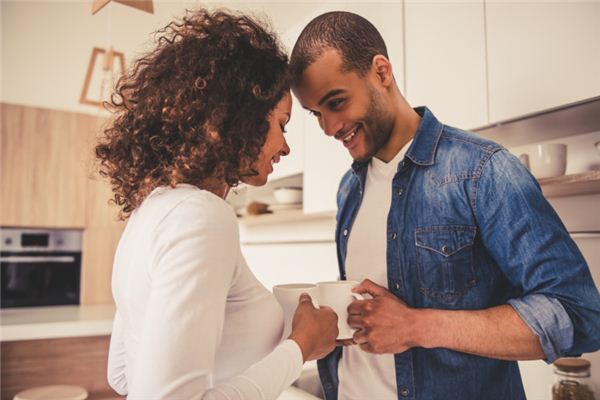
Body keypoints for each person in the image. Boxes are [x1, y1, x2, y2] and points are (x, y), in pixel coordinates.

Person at [289, 11, 600, 400]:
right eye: (316, 113)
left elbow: (579, 315)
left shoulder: (483, 170)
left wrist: (417, 326)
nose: (329, 128)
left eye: (336, 102)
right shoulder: (348, 189)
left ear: (381, 72)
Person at [96, 9, 338, 399]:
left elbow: (123, 376)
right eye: (282, 124)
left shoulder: (151, 210)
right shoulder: (202, 217)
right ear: (238, 117)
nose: (286, 146)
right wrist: (301, 347)